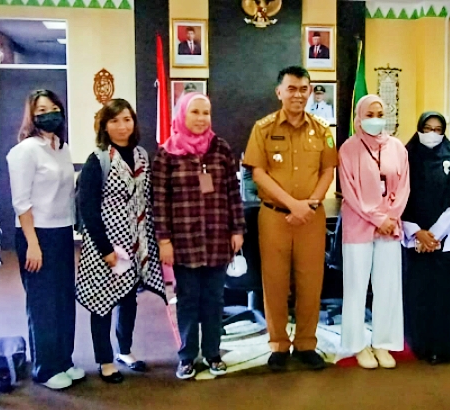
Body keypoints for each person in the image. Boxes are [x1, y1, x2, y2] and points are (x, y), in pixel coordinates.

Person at [243, 65, 337, 372]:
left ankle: (306, 343)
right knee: (275, 283)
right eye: (292, 89)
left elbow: (328, 171)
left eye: (303, 89)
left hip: (311, 217)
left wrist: (310, 204)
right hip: (275, 218)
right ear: (279, 92)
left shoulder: (322, 130)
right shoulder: (263, 128)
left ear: (310, 92)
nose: (298, 95)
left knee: (311, 282)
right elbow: (258, 173)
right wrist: (292, 205)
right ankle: (279, 345)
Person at [153, 92, 245, 380]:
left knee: (214, 300)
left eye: (206, 113)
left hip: (218, 237)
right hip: (184, 241)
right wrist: (164, 240)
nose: (201, 118)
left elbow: (233, 192)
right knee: (188, 299)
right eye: (195, 112)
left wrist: (237, 229)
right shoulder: (166, 154)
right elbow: (159, 201)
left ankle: (213, 353)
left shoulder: (221, 149)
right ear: (182, 115)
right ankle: (187, 356)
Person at [76, 99, 166, 383]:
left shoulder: (142, 156)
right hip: (106, 244)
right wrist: (105, 249)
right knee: (102, 301)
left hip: (136, 243)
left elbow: (148, 198)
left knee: (128, 298)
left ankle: (124, 350)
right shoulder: (98, 160)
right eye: (114, 120)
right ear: (104, 126)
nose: (122, 126)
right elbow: (88, 208)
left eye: (127, 119)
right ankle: (104, 360)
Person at [6, 89, 83, 390]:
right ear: (31, 115)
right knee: (43, 303)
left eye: (53, 108)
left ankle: (64, 359)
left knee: (63, 299)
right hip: (35, 234)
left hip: (62, 232)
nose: (49, 113)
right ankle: (45, 367)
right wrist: (33, 244)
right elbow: (21, 202)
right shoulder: (25, 151)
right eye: (41, 110)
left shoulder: (62, 148)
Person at [338, 95, 409, 369]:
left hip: (390, 227)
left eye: (380, 114)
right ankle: (357, 345)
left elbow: (403, 187)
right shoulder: (348, 148)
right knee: (356, 287)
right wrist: (377, 218)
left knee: (388, 287)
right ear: (359, 116)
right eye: (370, 114)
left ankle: (383, 343)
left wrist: (390, 217)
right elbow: (349, 191)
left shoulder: (397, 147)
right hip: (359, 226)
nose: (375, 119)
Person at [402, 112, 450, 365]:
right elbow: (397, 199)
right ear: (418, 129)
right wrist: (416, 232)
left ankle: (449, 348)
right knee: (420, 294)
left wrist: (434, 236)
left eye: (437, 129)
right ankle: (422, 344)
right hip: (415, 240)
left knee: (447, 296)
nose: (431, 134)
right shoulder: (405, 158)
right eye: (426, 128)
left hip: (447, 241)